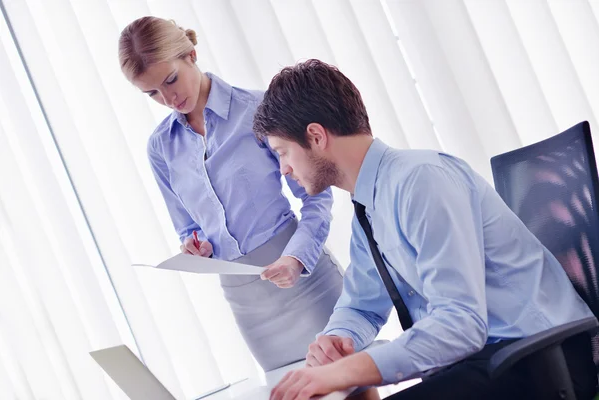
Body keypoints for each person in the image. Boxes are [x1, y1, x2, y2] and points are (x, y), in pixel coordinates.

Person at [252, 59, 598, 399]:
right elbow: (362, 304)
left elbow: (461, 323)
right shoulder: (370, 206)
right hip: (487, 361)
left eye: (283, 152)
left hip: (538, 361)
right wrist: (337, 340)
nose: (284, 169)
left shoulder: (420, 180)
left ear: (315, 136)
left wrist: (341, 373)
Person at [117, 18, 343, 371]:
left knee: (353, 389)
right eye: (152, 94)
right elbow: (187, 227)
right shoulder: (161, 148)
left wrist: (297, 258)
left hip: (304, 283)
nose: (168, 99)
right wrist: (196, 246)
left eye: (170, 80)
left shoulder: (258, 110)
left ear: (191, 54)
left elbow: (317, 196)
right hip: (247, 304)